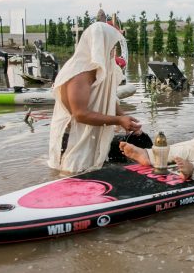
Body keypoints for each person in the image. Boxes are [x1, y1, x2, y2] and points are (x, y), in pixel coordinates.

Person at [48, 21, 142, 173]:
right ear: (100, 45)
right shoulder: (80, 74)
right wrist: (118, 120)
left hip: (90, 135)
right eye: (111, 47)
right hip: (72, 140)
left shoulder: (100, 69)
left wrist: (124, 117)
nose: (113, 52)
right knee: (71, 176)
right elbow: (80, 114)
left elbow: (108, 97)